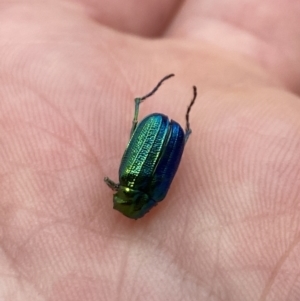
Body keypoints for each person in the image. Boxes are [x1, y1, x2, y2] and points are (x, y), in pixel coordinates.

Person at [1, 1, 299, 300]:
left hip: (162, 131)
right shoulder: (132, 179)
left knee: (163, 131)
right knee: (154, 127)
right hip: (160, 131)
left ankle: (179, 116)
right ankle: (171, 112)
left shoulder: (156, 193)